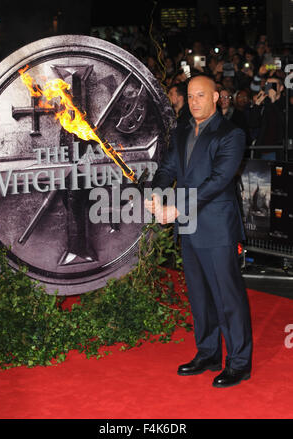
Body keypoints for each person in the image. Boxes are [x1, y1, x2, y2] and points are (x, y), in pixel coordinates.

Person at [145, 75, 253, 388]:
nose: (194, 102)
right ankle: (207, 353)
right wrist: (156, 193)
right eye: (190, 96)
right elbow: (167, 169)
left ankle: (239, 362)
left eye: (201, 95)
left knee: (227, 296)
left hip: (217, 227)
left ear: (217, 97)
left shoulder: (231, 134)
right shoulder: (180, 131)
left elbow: (218, 180)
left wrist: (176, 208)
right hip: (188, 228)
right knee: (199, 296)